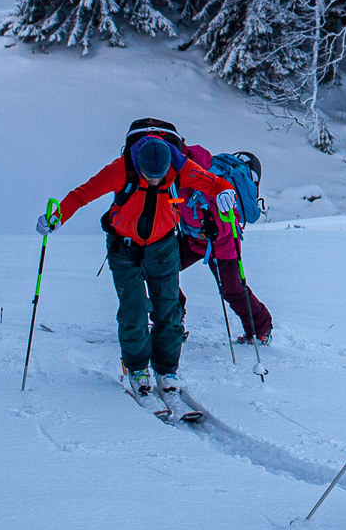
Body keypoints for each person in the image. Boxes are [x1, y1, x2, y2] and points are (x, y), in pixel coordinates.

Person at [38, 121, 238, 404]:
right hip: (124, 248)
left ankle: (167, 371)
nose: (155, 181)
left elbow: (214, 182)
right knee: (133, 310)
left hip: (164, 246)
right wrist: (57, 217)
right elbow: (82, 194)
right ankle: (137, 369)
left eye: (160, 177)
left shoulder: (181, 168)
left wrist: (224, 191)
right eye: (150, 176)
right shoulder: (121, 169)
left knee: (168, 310)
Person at [176, 143, 273, 344]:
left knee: (233, 290)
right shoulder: (168, 174)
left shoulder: (204, 176)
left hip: (223, 241)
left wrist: (216, 229)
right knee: (158, 269)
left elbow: (232, 215)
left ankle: (261, 329)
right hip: (194, 236)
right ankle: (170, 323)